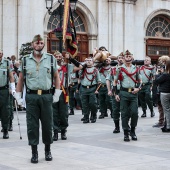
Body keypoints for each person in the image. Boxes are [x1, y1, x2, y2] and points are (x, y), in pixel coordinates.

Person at [15, 34, 61, 163]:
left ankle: (48, 150)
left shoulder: (51, 59)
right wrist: (18, 96)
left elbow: (56, 77)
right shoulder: (25, 60)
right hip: (32, 96)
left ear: (43, 45)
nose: (39, 45)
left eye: (41, 43)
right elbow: (21, 79)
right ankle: (34, 152)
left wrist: (57, 93)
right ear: (32, 45)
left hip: (46, 96)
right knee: (32, 125)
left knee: (47, 124)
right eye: (37, 43)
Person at [52, 51, 82, 141]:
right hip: (53, 91)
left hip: (64, 91)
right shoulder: (50, 67)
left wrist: (70, 58)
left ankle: (63, 131)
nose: (58, 58)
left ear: (62, 57)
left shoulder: (67, 67)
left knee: (64, 113)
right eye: (56, 56)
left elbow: (80, 67)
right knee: (54, 113)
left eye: (59, 56)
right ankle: (55, 132)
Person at [113, 50, 142, 142]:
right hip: (123, 93)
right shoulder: (119, 69)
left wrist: (138, 88)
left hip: (133, 93)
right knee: (124, 114)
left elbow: (140, 81)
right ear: (124, 58)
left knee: (134, 113)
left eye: (130, 57)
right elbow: (115, 82)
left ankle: (132, 131)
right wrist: (116, 94)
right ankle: (126, 132)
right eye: (127, 57)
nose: (128, 58)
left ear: (132, 58)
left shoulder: (136, 68)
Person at [79, 57, 101, 123]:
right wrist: (82, 68)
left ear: (93, 62)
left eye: (90, 60)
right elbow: (79, 76)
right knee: (84, 104)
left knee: (93, 103)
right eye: (87, 60)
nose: (88, 62)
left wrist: (97, 90)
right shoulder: (82, 69)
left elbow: (99, 81)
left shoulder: (95, 70)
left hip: (92, 88)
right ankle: (86, 117)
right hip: (84, 88)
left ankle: (93, 115)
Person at [106, 52, 124, 133]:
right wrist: (109, 90)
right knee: (115, 110)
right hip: (115, 91)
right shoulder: (112, 69)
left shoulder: (129, 68)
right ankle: (117, 127)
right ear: (117, 59)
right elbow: (108, 80)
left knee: (125, 110)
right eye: (119, 58)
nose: (120, 59)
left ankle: (126, 126)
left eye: (122, 57)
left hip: (125, 91)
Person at [0, 49, 15, 139]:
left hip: (4, 90)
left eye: (0, 52)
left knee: (5, 111)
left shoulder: (7, 63)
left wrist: (12, 88)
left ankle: (5, 129)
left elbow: (11, 76)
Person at [154, 59, 170, 132]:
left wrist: (157, 74)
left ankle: (168, 126)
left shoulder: (165, 74)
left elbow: (156, 81)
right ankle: (166, 125)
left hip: (165, 93)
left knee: (166, 110)